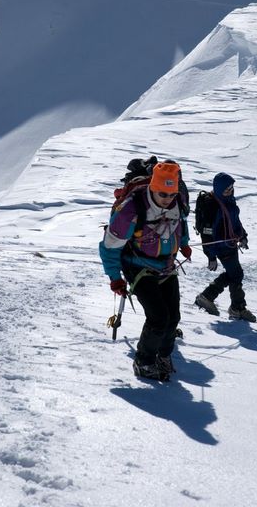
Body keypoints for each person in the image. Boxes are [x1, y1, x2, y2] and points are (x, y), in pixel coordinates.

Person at [99, 161, 192, 380]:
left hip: (166, 264)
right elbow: (110, 247)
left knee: (173, 317)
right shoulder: (132, 208)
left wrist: (184, 243)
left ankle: (164, 354)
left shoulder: (177, 201)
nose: (168, 199)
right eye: (162, 194)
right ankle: (144, 361)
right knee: (158, 317)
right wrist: (115, 278)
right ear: (152, 187)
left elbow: (181, 224)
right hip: (136, 265)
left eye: (171, 194)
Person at [195, 172, 256, 322]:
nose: (229, 191)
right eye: (226, 189)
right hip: (221, 247)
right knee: (236, 274)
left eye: (231, 188)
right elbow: (206, 235)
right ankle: (237, 308)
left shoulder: (229, 201)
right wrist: (211, 256)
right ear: (218, 188)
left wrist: (243, 236)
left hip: (231, 244)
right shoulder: (212, 205)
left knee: (233, 274)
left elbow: (235, 221)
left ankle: (208, 297)